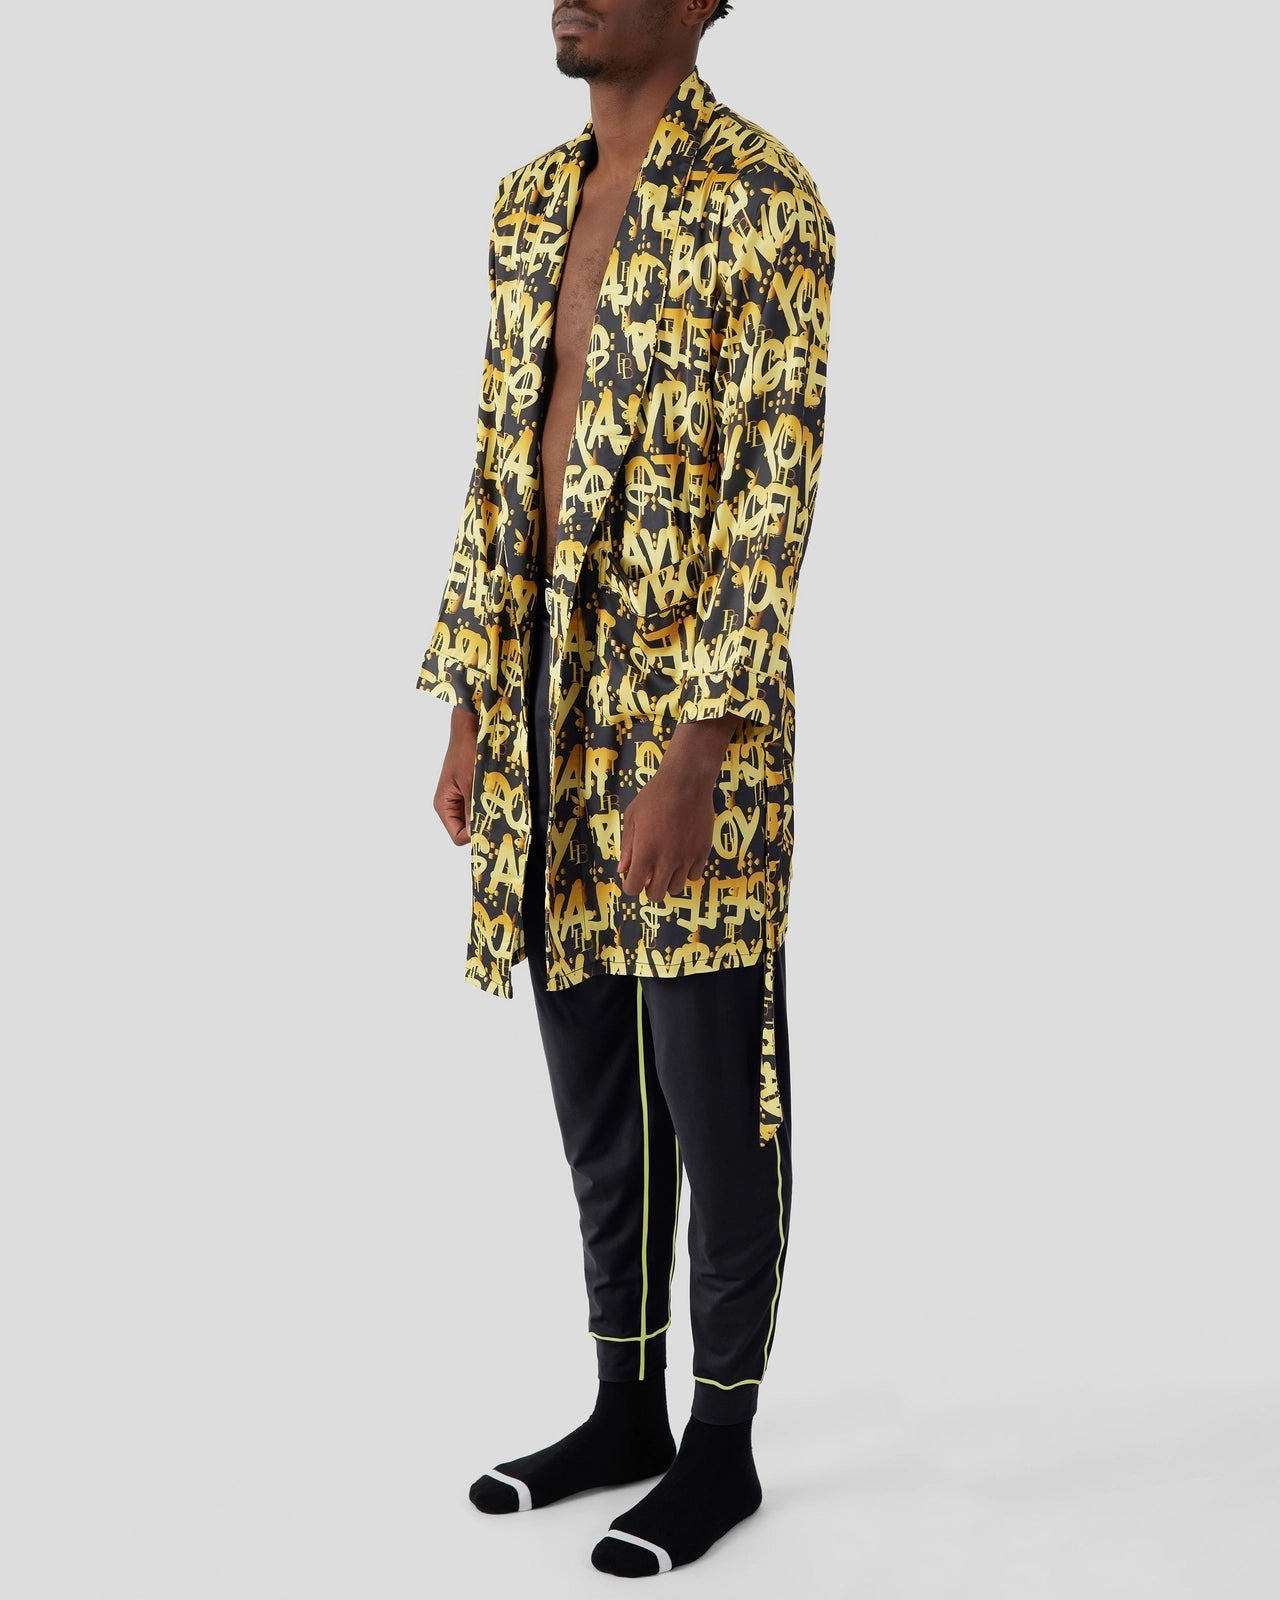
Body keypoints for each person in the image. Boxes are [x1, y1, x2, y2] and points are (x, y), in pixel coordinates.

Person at [415, 0, 835, 1577]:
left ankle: (720, 1444)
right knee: (595, 1081)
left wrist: (700, 750)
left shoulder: (767, 202)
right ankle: (622, 1406)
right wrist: (471, 702)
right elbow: (496, 462)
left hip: (685, 731)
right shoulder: (530, 200)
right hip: (545, 710)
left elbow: (771, 499)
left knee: (716, 1090)